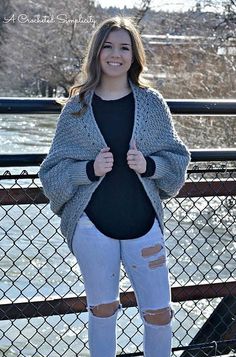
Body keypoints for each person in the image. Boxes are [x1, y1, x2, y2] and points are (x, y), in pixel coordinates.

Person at [39, 15, 191, 357]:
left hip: (144, 225)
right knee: (102, 309)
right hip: (91, 226)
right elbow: (52, 174)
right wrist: (88, 170)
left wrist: (149, 165)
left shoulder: (152, 104)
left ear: (134, 56)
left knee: (159, 313)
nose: (115, 54)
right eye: (107, 46)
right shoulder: (76, 109)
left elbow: (178, 162)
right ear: (96, 54)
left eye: (124, 47)